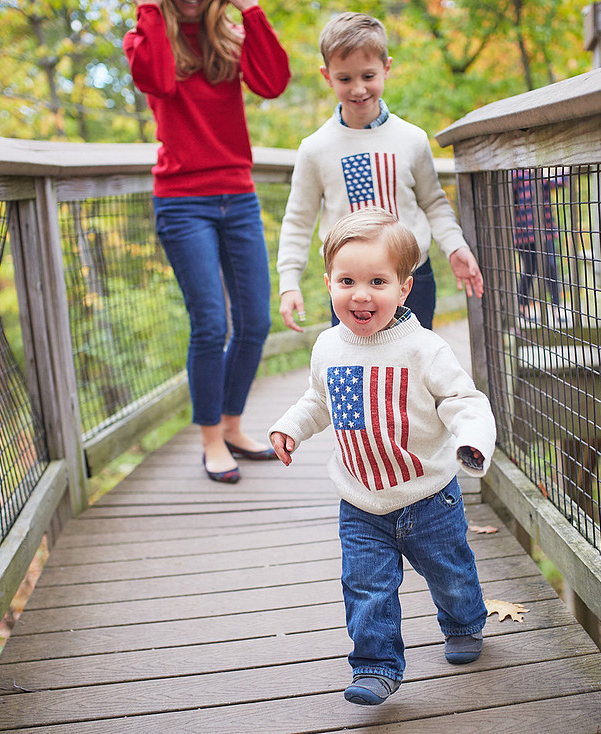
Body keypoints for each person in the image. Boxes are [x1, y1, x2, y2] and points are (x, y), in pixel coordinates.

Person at [270, 209, 495, 706]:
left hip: (429, 497)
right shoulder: (329, 347)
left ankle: (463, 622)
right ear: (328, 283)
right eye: (347, 280)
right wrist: (290, 426)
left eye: (378, 281)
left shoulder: (424, 349)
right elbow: (318, 400)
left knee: (450, 573)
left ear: (404, 287)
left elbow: (463, 401)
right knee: (365, 587)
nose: (361, 294)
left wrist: (472, 438)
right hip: (361, 502)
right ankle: (375, 666)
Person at [124, 0, 290, 483]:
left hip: (238, 196)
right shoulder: (145, 36)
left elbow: (273, 83)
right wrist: (151, 7)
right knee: (210, 324)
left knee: (255, 321)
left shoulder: (230, 38)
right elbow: (155, 80)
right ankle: (211, 439)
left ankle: (234, 425)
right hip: (181, 201)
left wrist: (252, 10)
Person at [275, 11, 483, 334]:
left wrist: (455, 246)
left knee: (413, 367)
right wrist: (289, 282)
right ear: (327, 76)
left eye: (368, 76)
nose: (358, 89)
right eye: (345, 79)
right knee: (356, 372)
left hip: (411, 279)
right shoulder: (315, 149)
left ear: (386, 68)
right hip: (349, 289)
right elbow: (298, 221)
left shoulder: (412, 140)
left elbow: (434, 203)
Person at [511, 169, 571, 328]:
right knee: (529, 269)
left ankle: (556, 308)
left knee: (551, 267)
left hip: (545, 231)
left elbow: (561, 181)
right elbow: (508, 196)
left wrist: (556, 170)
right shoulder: (516, 174)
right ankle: (522, 307)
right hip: (523, 232)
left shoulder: (542, 171)